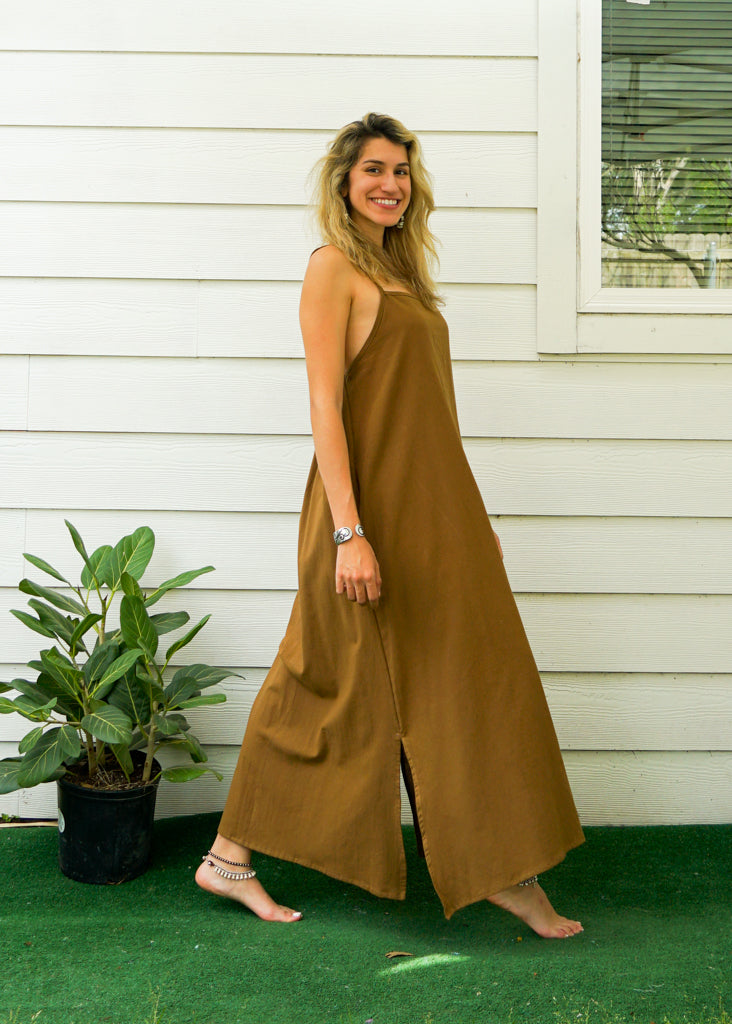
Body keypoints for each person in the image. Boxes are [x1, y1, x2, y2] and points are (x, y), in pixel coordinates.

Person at [196, 113, 585, 937]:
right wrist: (349, 532)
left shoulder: (404, 276)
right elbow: (325, 406)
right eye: (374, 169)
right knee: (324, 683)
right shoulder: (332, 268)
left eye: (402, 172)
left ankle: (504, 871)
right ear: (344, 181)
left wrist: (467, 521)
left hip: (435, 519)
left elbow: (429, 420)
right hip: (361, 518)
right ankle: (229, 858)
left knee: (470, 683)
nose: (390, 184)